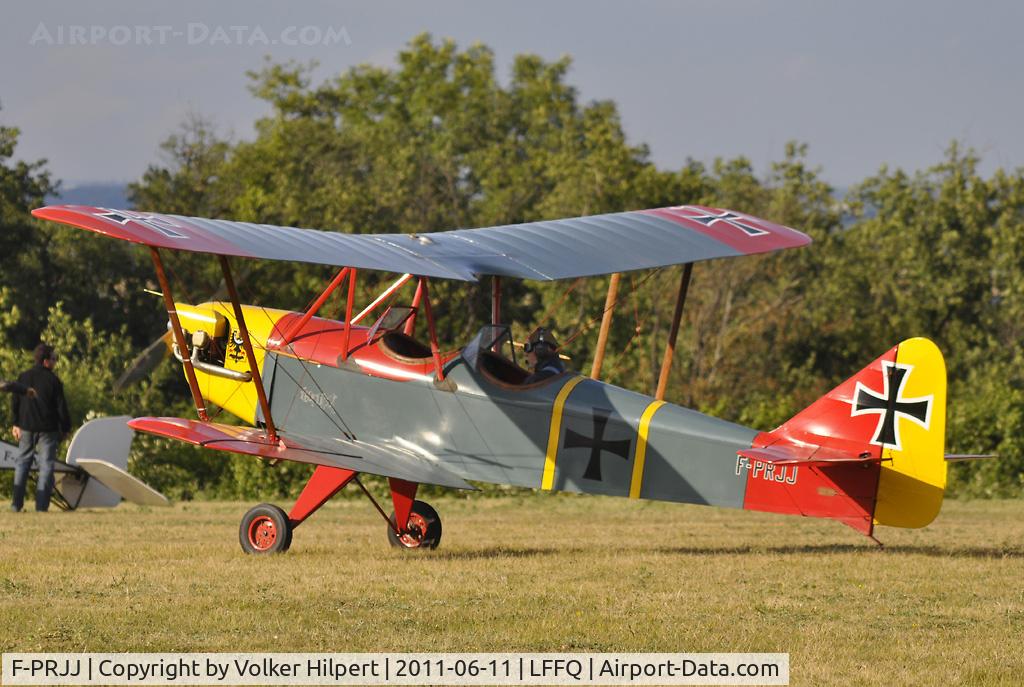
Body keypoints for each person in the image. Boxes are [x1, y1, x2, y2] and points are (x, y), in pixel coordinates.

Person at [10, 343, 71, 512]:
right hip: (48, 429)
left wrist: (15, 423)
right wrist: (66, 428)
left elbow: (15, 401)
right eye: (54, 359)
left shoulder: (23, 377)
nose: (55, 362)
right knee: (46, 465)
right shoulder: (54, 380)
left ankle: (16, 505)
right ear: (46, 361)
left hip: (26, 427)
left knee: (22, 463)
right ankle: (41, 507)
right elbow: (61, 407)